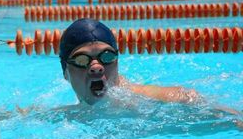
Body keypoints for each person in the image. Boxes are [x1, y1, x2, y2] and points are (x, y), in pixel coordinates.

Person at [59, 18, 200, 106]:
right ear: (65, 72)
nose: (97, 67)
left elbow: (188, 97)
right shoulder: (65, 118)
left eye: (107, 56)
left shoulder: (143, 100)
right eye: (82, 59)